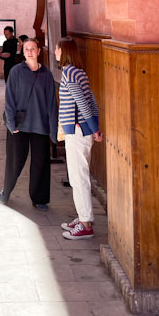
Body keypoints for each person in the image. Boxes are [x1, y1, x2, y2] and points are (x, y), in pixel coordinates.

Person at [0, 38, 58, 210]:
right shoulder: (16, 72)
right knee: (15, 161)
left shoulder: (46, 74)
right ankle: (6, 190)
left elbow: (51, 103)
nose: (30, 51)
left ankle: (39, 198)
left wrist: (53, 132)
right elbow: (9, 100)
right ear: (23, 52)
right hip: (19, 125)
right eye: (27, 49)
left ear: (39, 51)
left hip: (40, 124)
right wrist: (11, 124)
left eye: (33, 48)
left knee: (40, 162)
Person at [55, 37, 103, 240]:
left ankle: (85, 225)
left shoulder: (69, 72)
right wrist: (95, 126)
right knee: (78, 177)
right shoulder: (79, 71)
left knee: (78, 178)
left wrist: (93, 128)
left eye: (57, 49)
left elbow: (82, 102)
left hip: (77, 131)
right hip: (81, 130)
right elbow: (91, 99)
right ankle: (84, 218)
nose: (56, 52)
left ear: (64, 51)